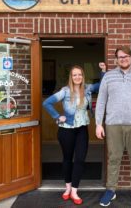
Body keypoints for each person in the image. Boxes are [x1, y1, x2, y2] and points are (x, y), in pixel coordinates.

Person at [95, 46, 131, 207]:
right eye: (120, 57)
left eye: (126, 56)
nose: (123, 59)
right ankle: (111, 190)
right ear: (116, 59)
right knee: (114, 158)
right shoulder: (108, 77)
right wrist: (98, 124)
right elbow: (101, 101)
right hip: (113, 124)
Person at [43, 62, 106, 205]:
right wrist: (58, 116)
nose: (77, 77)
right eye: (74, 75)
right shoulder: (65, 91)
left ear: (83, 76)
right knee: (67, 159)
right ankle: (67, 188)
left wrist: (103, 70)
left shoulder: (88, 88)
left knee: (80, 160)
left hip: (82, 129)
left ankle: (74, 191)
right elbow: (46, 103)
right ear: (71, 77)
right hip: (66, 130)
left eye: (79, 74)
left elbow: (103, 84)